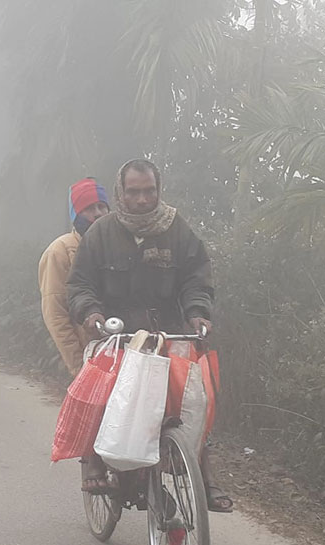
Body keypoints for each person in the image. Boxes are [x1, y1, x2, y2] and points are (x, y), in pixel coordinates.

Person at [66, 158, 232, 513]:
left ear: (159, 190)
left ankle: (201, 470)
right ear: (121, 193)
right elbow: (80, 284)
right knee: (98, 384)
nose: (142, 199)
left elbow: (196, 280)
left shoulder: (178, 230)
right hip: (116, 335)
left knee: (195, 395)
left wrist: (198, 314)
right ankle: (92, 459)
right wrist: (91, 313)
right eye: (134, 192)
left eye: (149, 191)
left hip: (167, 334)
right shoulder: (101, 234)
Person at [38, 178, 110, 377]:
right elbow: (56, 315)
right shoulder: (59, 252)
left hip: (121, 356)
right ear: (75, 214)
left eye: (101, 206)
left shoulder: (116, 247)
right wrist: (79, 367)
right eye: (88, 208)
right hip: (88, 359)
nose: (97, 214)